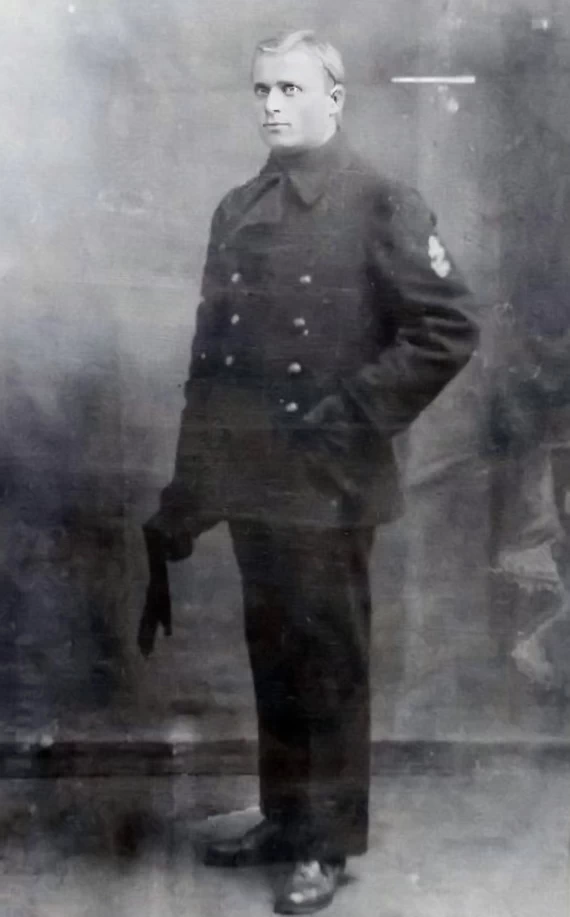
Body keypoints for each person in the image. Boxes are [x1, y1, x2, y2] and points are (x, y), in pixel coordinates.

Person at [141, 29, 479, 914]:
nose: (272, 106)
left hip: (329, 482)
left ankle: (324, 843)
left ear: (335, 98)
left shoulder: (381, 202)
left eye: (291, 89)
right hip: (254, 481)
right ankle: (288, 817)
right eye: (261, 90)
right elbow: (212, 364)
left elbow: (448, 327)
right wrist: (190, 488)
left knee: (327, 663)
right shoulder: (237, 208)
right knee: (277, 656)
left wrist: (350, 417)